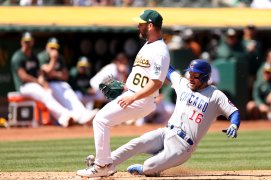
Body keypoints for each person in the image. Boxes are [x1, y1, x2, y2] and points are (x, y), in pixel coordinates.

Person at [76, 9, 170, 178]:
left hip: (141, 99)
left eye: (140, 23)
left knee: (101, 119)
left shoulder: (160, 51)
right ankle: (105, 163)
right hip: (135, 95)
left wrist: (133, 96)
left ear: (150, 25)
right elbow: (142, 76)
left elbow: (156, 82)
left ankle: (103, 165)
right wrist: (126, 88)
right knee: (102, 119)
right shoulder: (148, 45)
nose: (137, 26)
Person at [107, 59, 240, 177]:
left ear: (205, 77)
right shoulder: (183, 83)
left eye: (196, 75)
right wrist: (156, 56)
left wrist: (234, 125)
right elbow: (168, 70)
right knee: (135, 144)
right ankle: (104, 163)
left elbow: (234, 112)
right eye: (190, 74)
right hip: (166, 132)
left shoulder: (215, 95)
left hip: (183, 146)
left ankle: (151, 168)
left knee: (148, 167)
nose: (191, 78)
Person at [10, 32, 81, 127]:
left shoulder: (33, 57)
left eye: (29, 41)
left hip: (35, 84)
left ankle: (65, 117)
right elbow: (23, 76)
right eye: (26, 41)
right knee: (45, 95)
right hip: (23, 86)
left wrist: (44, 84)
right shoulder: (18, 56)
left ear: (32, 42)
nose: (27, 43)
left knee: (49, 92)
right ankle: (64, 116)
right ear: (22, 42)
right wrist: (39, 82)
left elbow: (39, 73)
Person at [37, 37, 98, 127]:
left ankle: (84, 115)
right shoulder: (42, 56)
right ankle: (67, 118)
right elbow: (47, 72)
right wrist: (53, 61)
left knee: (70, 93)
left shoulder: (60, 58)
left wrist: (53, 73)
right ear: (46, 47)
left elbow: (65, 76)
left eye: (55, 48)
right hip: (46, 84)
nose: (53, 50)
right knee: (56, 96)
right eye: (51, 47)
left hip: (59, 83)